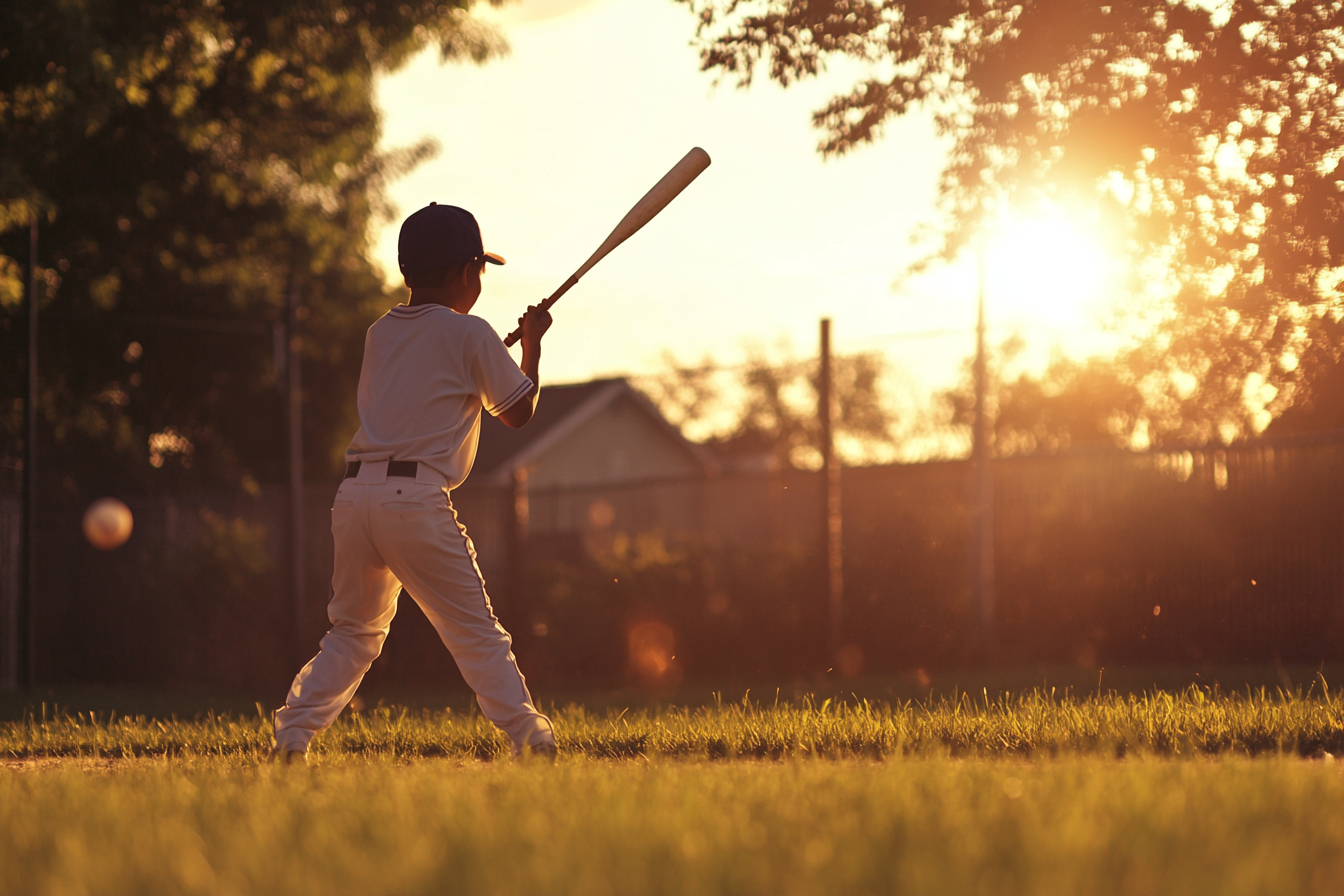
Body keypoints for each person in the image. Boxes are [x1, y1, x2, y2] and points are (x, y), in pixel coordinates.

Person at [271, 203, 556, 762]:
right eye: (477, 270)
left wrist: (486, 358)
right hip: (413, 501)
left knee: (353, 633)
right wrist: (531, 346)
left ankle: (293, 735)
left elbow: (435, 384)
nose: (477, 280)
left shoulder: (381, 332)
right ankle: (531, 737)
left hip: (354, 500)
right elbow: (518, 411)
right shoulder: (471, 333)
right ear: (462, 273)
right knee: (475, 631)